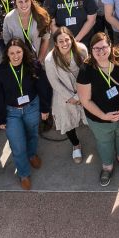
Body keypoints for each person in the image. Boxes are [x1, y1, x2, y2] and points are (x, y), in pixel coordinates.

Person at [75, 31, 119, 185]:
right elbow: (85, 100)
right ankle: (107, 166)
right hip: (99, 119)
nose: (100, 51)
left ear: (110, 46)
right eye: (96, 49)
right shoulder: (86, 70)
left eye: (104, 47)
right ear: (91, 50)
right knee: (104, 141)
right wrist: (104, 116)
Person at [0, 38, 52, 189]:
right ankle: (24, 173)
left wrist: (45, 109)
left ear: (24, 52)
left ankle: (31, 154)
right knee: (17, 145)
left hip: (32, 107)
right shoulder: (0, 71)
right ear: (7, 54)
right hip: (12, 113)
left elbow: (43, 88)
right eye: (12, 53)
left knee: (32, 134)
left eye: (18, 52)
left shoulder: (34, 65)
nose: (16, 56)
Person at [44, 27, 89, 163]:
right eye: (60, 41)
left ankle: (102, 140)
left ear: (72, 39)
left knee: (93, 117)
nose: (65, 43)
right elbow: (54, 83)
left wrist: (81, 95)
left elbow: (88, 71)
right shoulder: (49, 60)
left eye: (67, 39)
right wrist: (72, 97)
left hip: (84, 90)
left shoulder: (81, 50)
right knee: (67, 121)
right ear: (56, 43)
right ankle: (76, 145)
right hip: (64, 96)